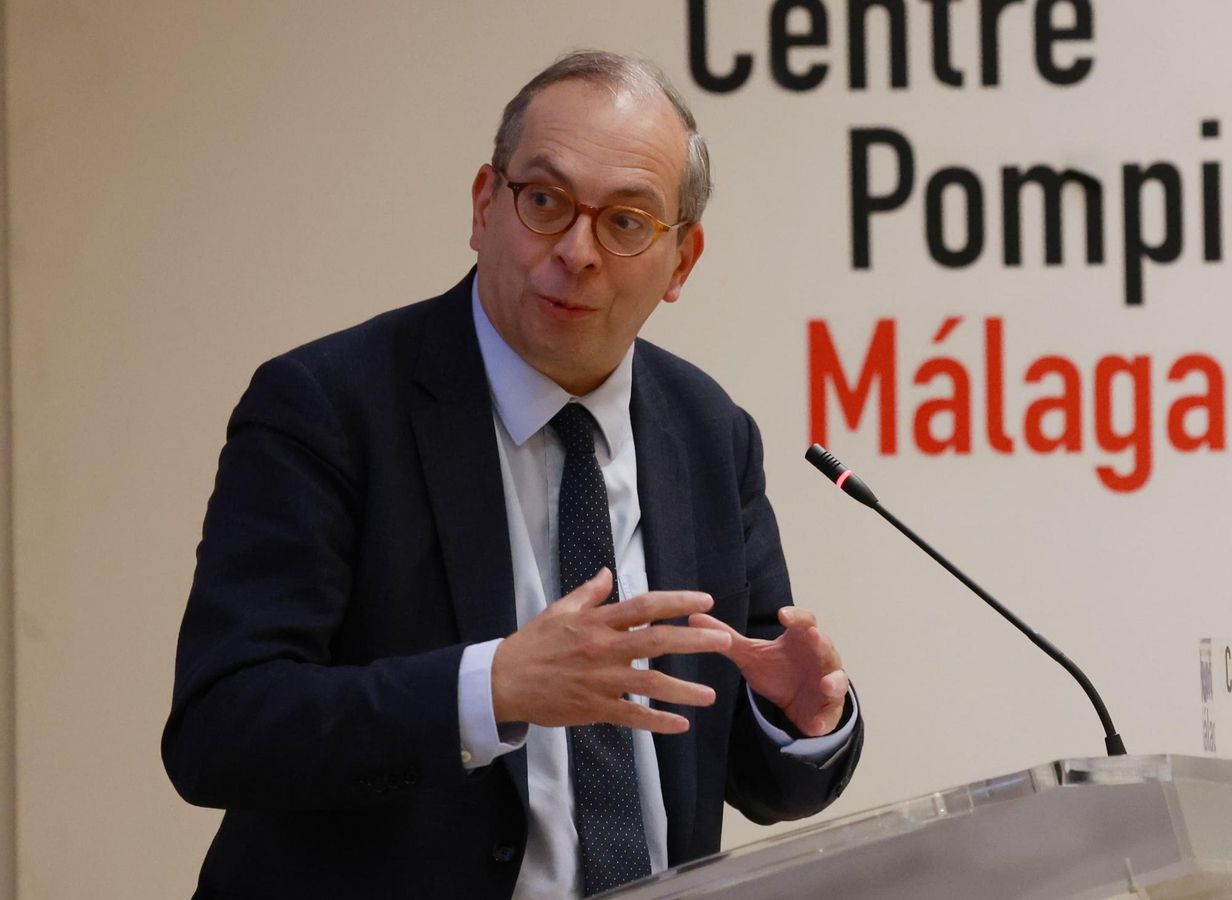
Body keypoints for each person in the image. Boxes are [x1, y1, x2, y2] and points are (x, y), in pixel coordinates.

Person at [162, 50, 863, 900]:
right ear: (484, 205)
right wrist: (489, 689)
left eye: (627, 222)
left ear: (682, 262)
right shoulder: (329, 408)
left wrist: (794, 720)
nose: (576, 251)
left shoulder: (707, 432)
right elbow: (223, 729)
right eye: (544, 202)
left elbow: (748, 775)